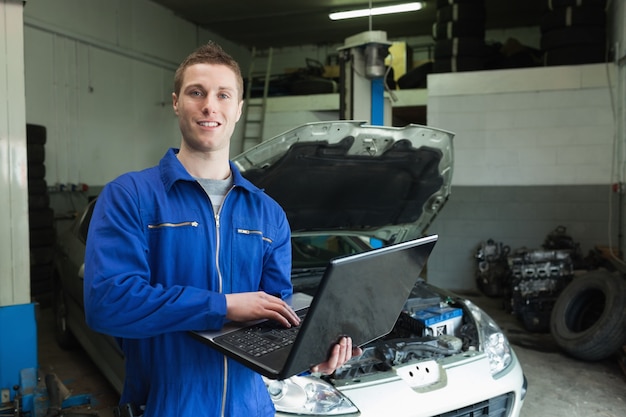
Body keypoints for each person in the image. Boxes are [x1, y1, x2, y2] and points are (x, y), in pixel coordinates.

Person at [84, 41, 360, 417]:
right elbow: (108, 304)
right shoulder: (130, 196)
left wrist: (313, 354)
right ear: (176, 102)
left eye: (223, 95)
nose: (209, 105)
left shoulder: (268, 214)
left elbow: (276, 321)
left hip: (252, 407)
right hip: (169, 405)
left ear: (238, 108)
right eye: (196, 92)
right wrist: (223, 306)